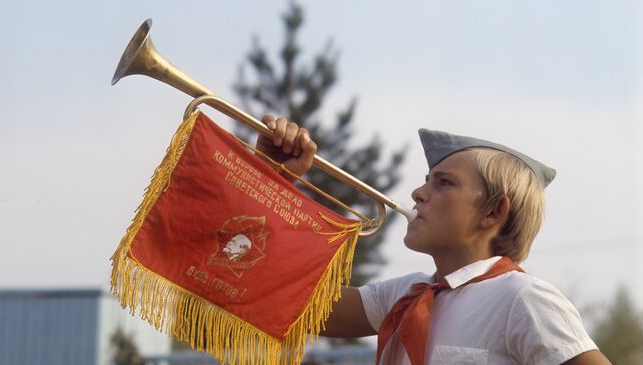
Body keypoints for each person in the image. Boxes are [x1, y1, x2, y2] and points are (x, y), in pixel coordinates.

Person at [255, 115, 611, 364]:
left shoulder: (523, 299)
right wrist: (270, 179)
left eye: (443, 183)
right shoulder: (402, 295)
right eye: (427, 180)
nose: (417, 192)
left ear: (492, 212)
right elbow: (280, 292)